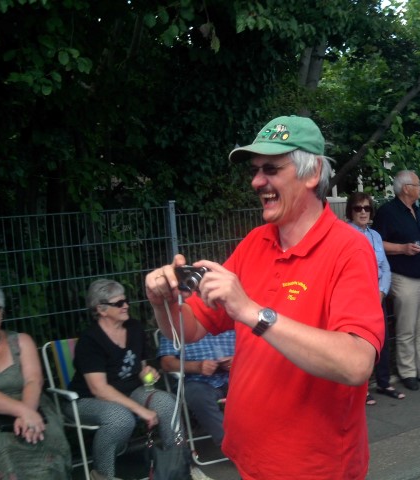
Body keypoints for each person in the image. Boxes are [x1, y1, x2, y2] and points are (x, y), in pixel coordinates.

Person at [145, 115, 384, 480]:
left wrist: (253, 312)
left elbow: (356, 364)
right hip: (250, 459)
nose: (257, 181)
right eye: (255, 170)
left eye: (271, 169)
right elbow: (187, 330)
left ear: (312, 173)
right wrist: (162, 300)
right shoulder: (255, 243)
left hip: (313, 469)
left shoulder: (349, 249)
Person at [66, 279, 178, 480]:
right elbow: (99, 389)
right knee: (120, 418)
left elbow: (140, 368)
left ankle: (178, 466)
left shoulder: (134, 328)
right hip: (86, 399)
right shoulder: (90, 340)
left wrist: (147, 374)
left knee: (166, 402)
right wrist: (140, 410)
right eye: (118, 303)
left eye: (125, 301)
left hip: (130, 391)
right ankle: (102, 475)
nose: (125, 306)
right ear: (101, 309)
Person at [372, 170, 420, 392]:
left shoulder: (416, 209)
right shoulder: (388, 212)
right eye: (418, 184)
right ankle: (408, 372)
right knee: (406, 329)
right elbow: (376, 243)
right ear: (406, 188)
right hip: (404, 278)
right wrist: (402, 248)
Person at [0, 285, 72, 478]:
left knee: (50, 440)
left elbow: (33, 381)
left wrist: (29, 413)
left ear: (2, 313)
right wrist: (24, 413)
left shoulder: (21, 341)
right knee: (6, 452)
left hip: (32, 401)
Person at [345, 192, 404, 404]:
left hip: (377, 296)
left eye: (367, 208)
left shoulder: (376, 236)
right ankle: (360, 388)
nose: (363, 212)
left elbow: (385, 268)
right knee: (360, 344)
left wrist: (381, 292)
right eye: (358, 208)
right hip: (358, 297)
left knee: (382, 340)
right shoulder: (345, 234)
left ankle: (383, 382)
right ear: (350, 211)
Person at [157, 329, 235, 445]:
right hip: (197, 381)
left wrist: (236, 360)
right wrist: (197, 366)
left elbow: (251, 351)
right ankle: (231, 445)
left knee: (257, 387)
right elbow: (167, 363)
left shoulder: (231, 323)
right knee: (197, 395)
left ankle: (257, 440)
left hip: (234, 378)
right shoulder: (174, 328)